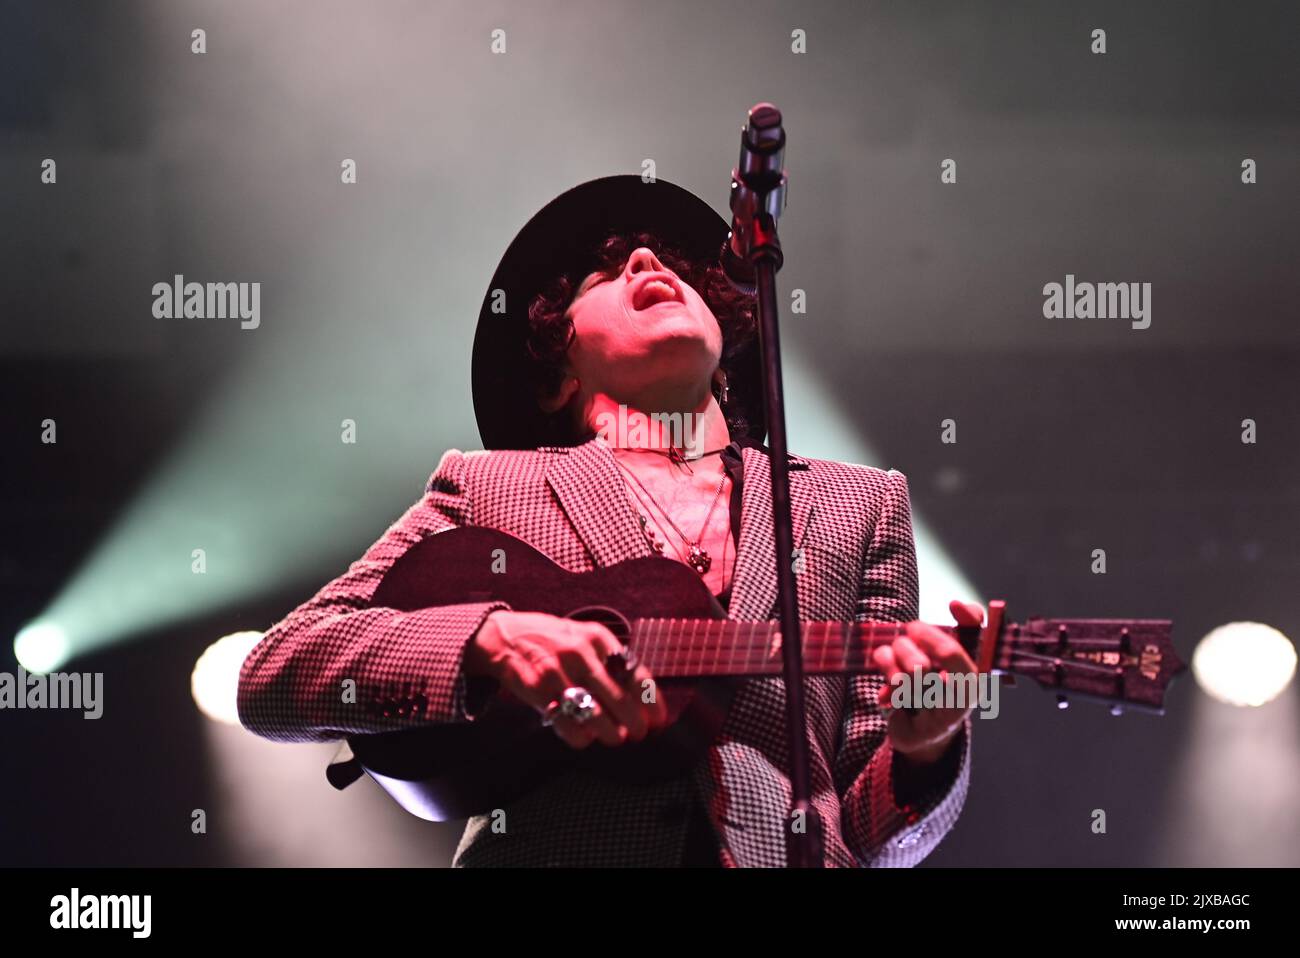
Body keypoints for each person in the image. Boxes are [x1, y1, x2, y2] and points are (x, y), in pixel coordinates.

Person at [237, 175, 980, 867]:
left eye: (673, 267)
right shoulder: (488, 484)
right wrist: (489, 638)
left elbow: (864, 834)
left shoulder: (859, 506)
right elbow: (274, 672)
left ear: (722, 347)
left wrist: (925, 750)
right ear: (560, 375)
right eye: (605, 273)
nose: (648, 260)